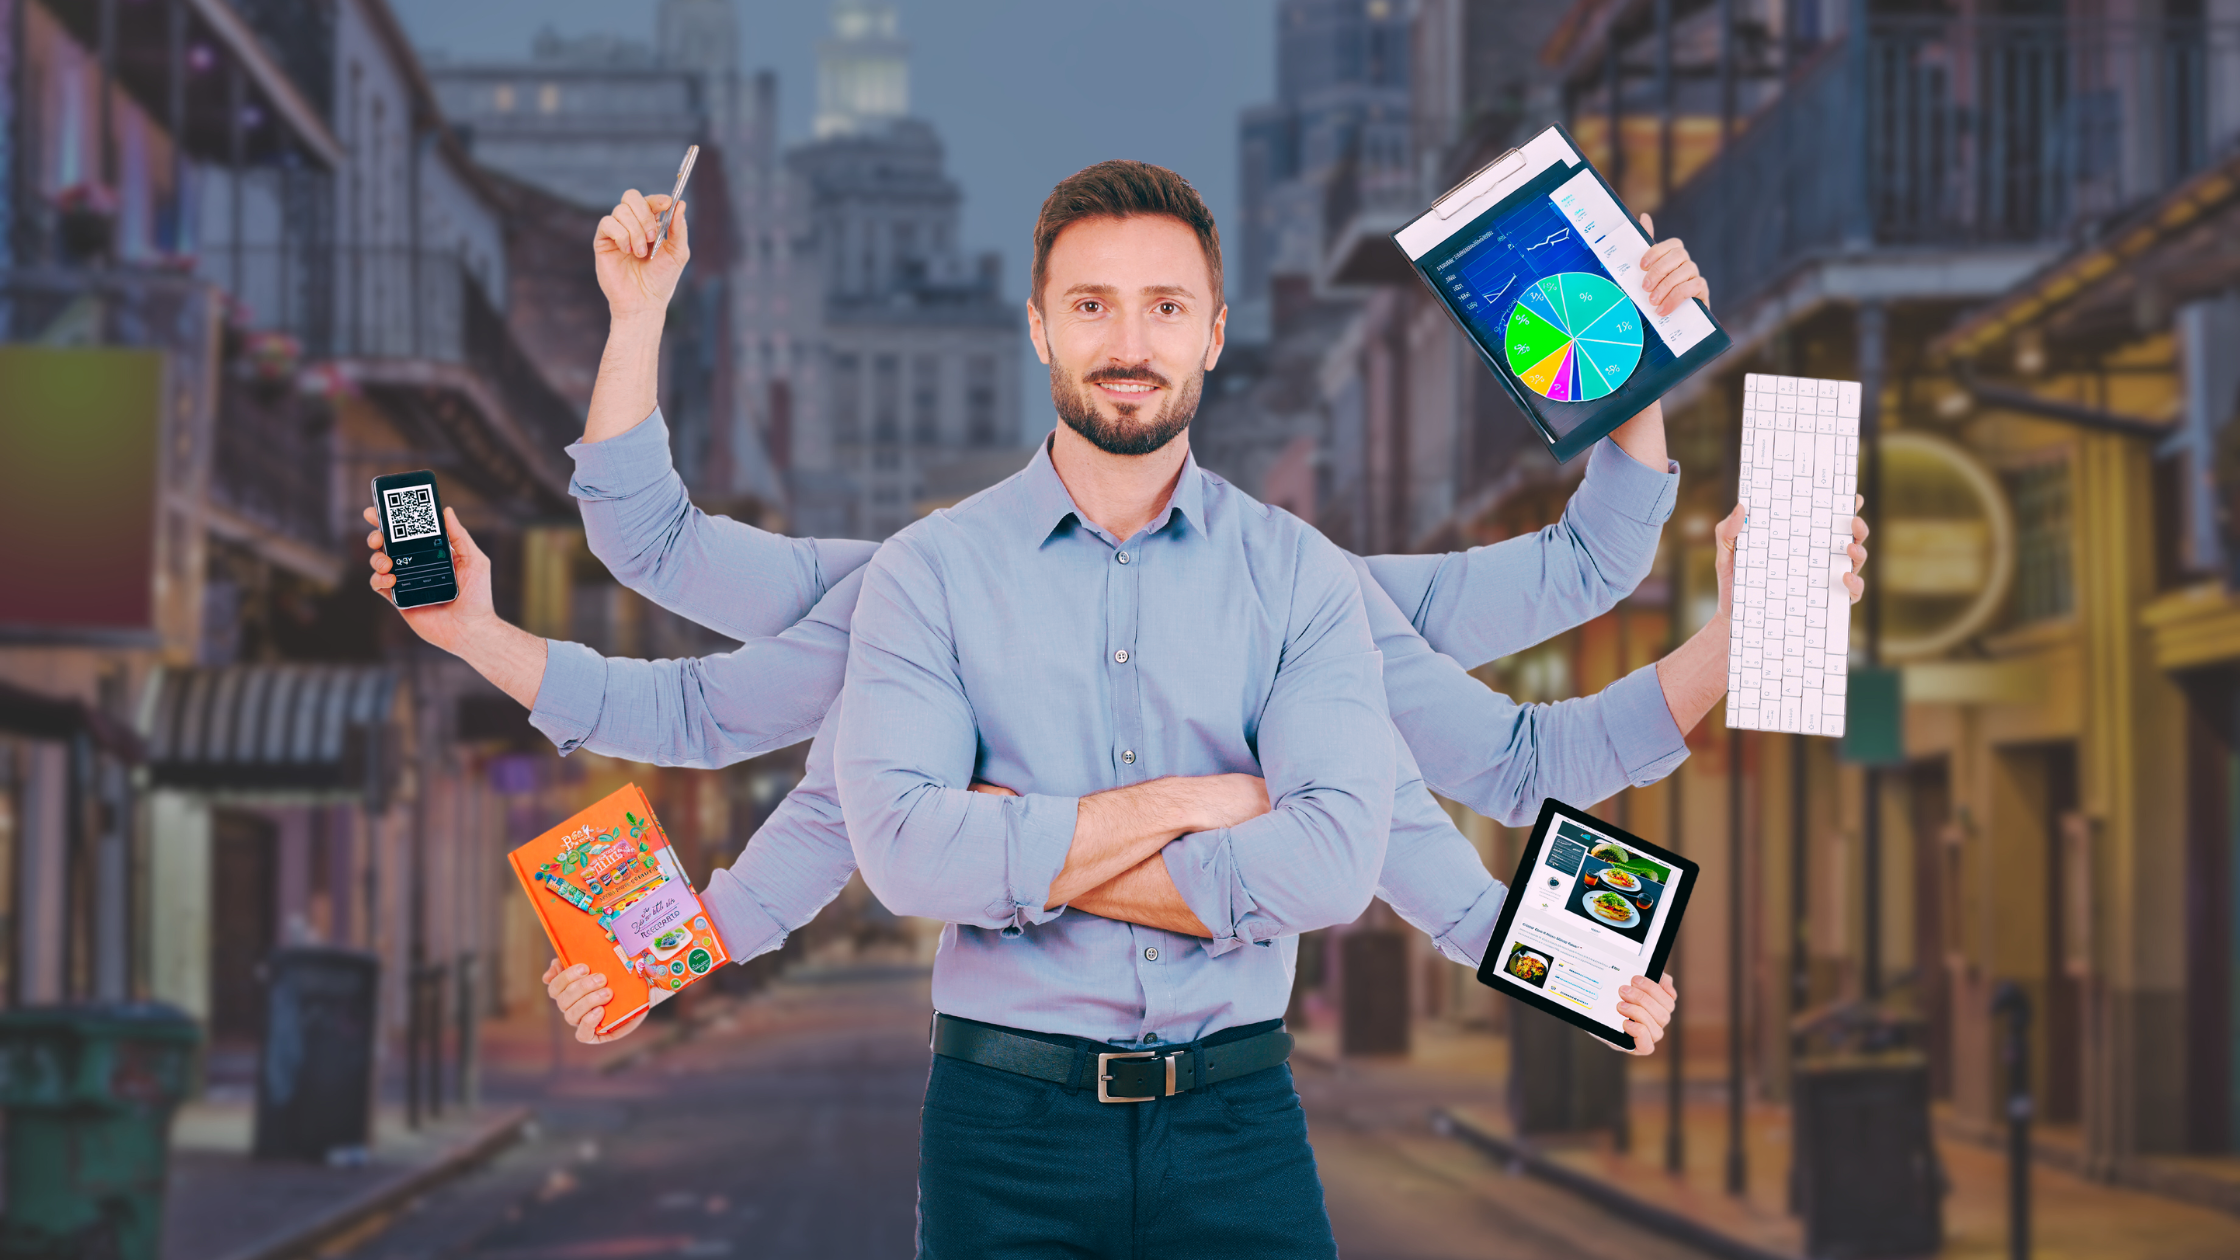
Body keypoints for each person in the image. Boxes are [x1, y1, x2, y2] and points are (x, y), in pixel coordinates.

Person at [364, 163, 1867, 1254]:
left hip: (1236, 1128)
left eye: (1163, 306)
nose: (1128, 336)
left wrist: (1648, 377)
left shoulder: (1310, 587)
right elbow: (731, 690)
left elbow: (1522, 720)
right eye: (1092, 303)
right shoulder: (921, 583)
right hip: (1005, 1133)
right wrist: (1221, 812)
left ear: (1214, 332)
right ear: (1038, 328)